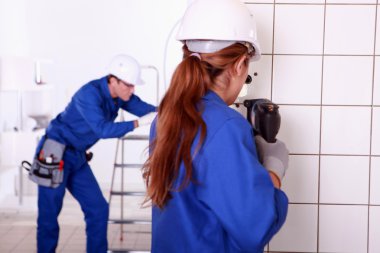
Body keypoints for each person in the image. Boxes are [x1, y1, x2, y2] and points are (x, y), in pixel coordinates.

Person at [142, 0, 289, 252]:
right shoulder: (227, 127)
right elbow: (256, 227)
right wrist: (273, 169)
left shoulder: (166, 117)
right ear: (240, 64)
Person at [35, 54, 157, 253]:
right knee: (49, 216)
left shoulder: (120, 95)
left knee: (98, 209)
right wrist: (138, 123)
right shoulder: (88, 94)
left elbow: (146, 109)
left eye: (134, 86)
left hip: (76, 155)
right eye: (128, 85)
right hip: (53, 151)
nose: (132, 90)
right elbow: (103, 129)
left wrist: (171, 110)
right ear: (113, 80)